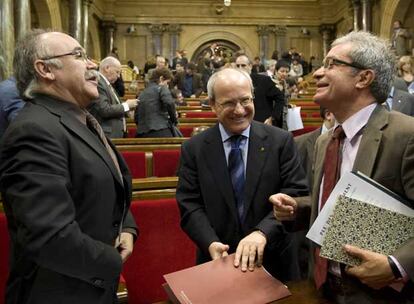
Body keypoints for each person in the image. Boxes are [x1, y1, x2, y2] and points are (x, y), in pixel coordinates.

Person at [271, 31, 414, 303]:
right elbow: (340, 207)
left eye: (331, 64)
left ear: (363, 78)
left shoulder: (406, 135)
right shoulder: (327, 141)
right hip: (324, 289)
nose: (317, 74)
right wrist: (298, 209)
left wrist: (398, 264)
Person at [0, 29, 137, 304]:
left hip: (89, 286)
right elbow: (50, 235)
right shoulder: (33, 130)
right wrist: (112, 262)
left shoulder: (78, 118)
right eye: (79, 55)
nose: (92, 64)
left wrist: (127, 228)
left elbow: (105, 183)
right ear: (45, 69)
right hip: (58, 292)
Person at [176, 68, 308, 281]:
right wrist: (210, 242)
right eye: (228, 103)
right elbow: (189, 204)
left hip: (274, 261)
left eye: (245, 100)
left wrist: (262, 232)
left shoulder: (280, 141)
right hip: (218, 262)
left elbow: (295, 194)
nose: (239, 110)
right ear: (212, 104)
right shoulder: (194, 149)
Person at [88, 56, 137, 138]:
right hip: (107, 135)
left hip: (114, 134)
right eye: (117, 72)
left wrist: (127, 111)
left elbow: (113, 105)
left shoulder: (107, 84)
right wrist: (126, 106)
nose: (118, 76)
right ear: (107, 68)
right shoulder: (99, 83)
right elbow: (104, 109)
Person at [235, 55, 285, 127]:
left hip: (262, 124)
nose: (240, 68)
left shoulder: (263, 80)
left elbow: (280, 98)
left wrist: (273, 118)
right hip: (241, 124)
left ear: (250, 66)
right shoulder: (232, 84)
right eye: (237, 66)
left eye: (243, 65)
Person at [134, 67, 178, 137]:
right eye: (167, 83)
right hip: (161, 131)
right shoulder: (162, 88)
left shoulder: (141, 93)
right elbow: (169, 103)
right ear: (161, 79)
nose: (167, 86)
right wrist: (174, 120)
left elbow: (136, 117)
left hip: (142, 134)